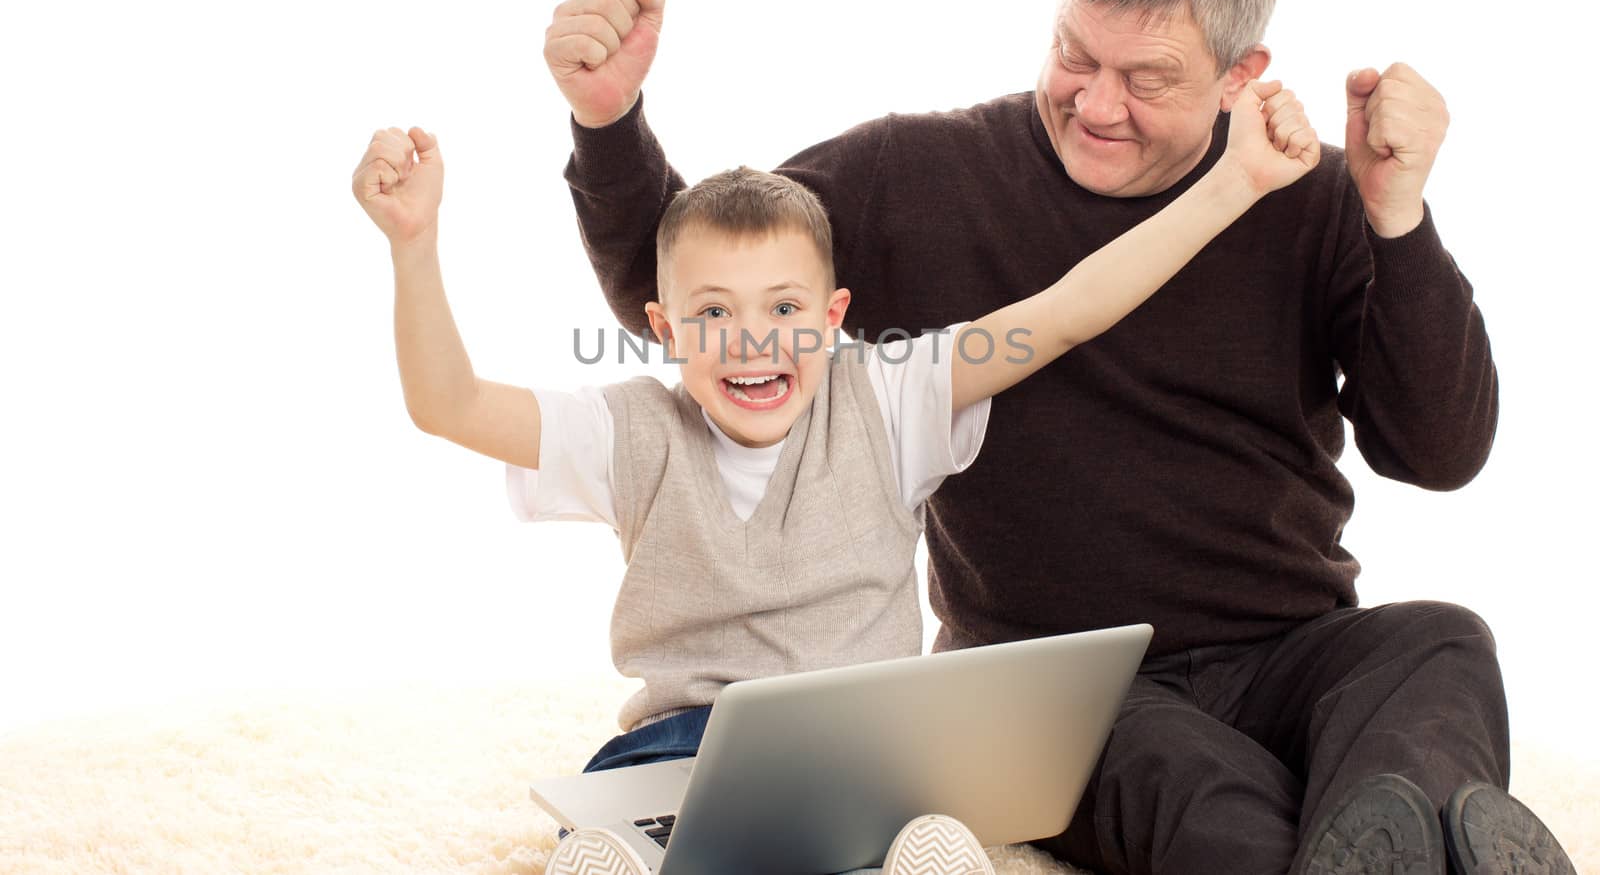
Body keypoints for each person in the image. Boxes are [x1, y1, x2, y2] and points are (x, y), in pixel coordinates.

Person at [540, 0, 1576, 875]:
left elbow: (1437, 449)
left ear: (1240, 74)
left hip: (1291, 648)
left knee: (1440, 641)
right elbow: (683, 295)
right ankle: (1397, 837)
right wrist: (607, 124)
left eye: (1147, 79)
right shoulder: (921, 174)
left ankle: (1380, 834)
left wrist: (1394, 214)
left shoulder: (1301, 191)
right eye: (1074, 55)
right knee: (1217, 810)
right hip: (1062, 683)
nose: (1094, 103)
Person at [350, 70, 1320, 875]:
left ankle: (900, 858)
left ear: (832, 315)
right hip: (683, 746)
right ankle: (633, 857)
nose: (752, 341)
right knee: (647, 815)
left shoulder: (889, 398)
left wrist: (1234, 181)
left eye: (783, 308)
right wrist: (413, 246)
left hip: (863, 751)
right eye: (714, 314)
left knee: (904, 822)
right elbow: (451, 405)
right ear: (664, 327)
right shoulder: (628, 428)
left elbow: (1066, 309)